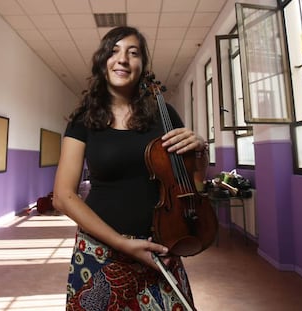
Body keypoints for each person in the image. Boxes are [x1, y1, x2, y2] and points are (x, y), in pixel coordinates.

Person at [53, 26, 207, 311]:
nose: (123, 59)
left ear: (142, 65)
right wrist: (122, 244)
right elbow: (63, 196)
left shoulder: (165, 114)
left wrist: (200, 152)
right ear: (103, 62)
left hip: (159, 247)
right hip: (100, 251)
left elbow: (193, 186)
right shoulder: (82, 120)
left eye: (133, 53)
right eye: (114, 51)